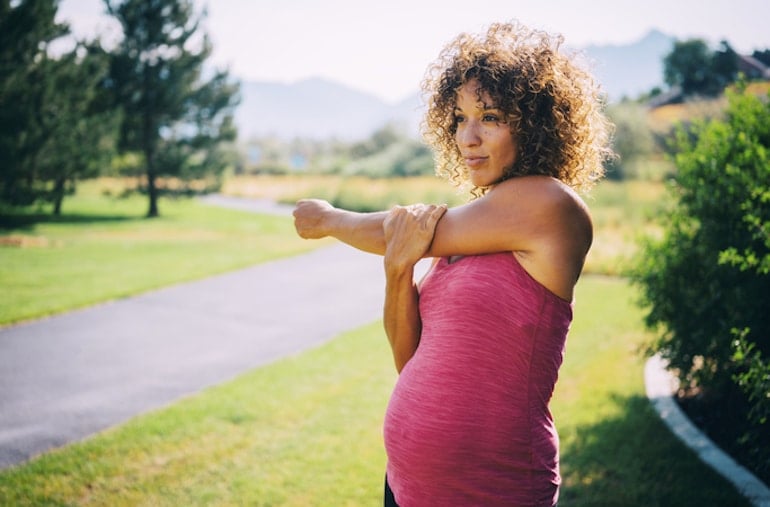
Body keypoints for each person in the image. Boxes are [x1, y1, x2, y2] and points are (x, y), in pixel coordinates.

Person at [293, 20, 613, 507]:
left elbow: (394, 230)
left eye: (490, 116)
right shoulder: (471, 233)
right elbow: (409, 359)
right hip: (406, 485)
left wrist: (329, 219)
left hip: (490, 488)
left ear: (537, 122)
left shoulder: (551, 207)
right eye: (460, 118)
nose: (468, 137)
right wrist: (398, 272)